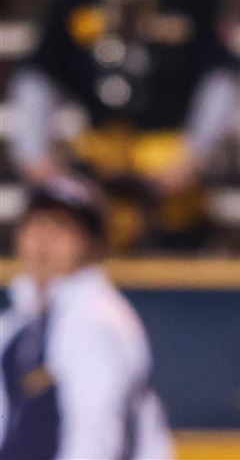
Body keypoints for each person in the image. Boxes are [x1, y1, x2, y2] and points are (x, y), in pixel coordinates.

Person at [7, 0, 240, 250]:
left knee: (180, 240)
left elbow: (220, 79)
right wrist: (37, 157)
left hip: (171, 161)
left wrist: (195, 154)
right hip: (95, 157)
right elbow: (37, 78)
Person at [0, 177, 173, 459]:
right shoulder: (18, 325)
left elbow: (95, 439)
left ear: (90, 244)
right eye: (36, 224)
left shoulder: (96, 320)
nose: (43, 239)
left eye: (61, 226)